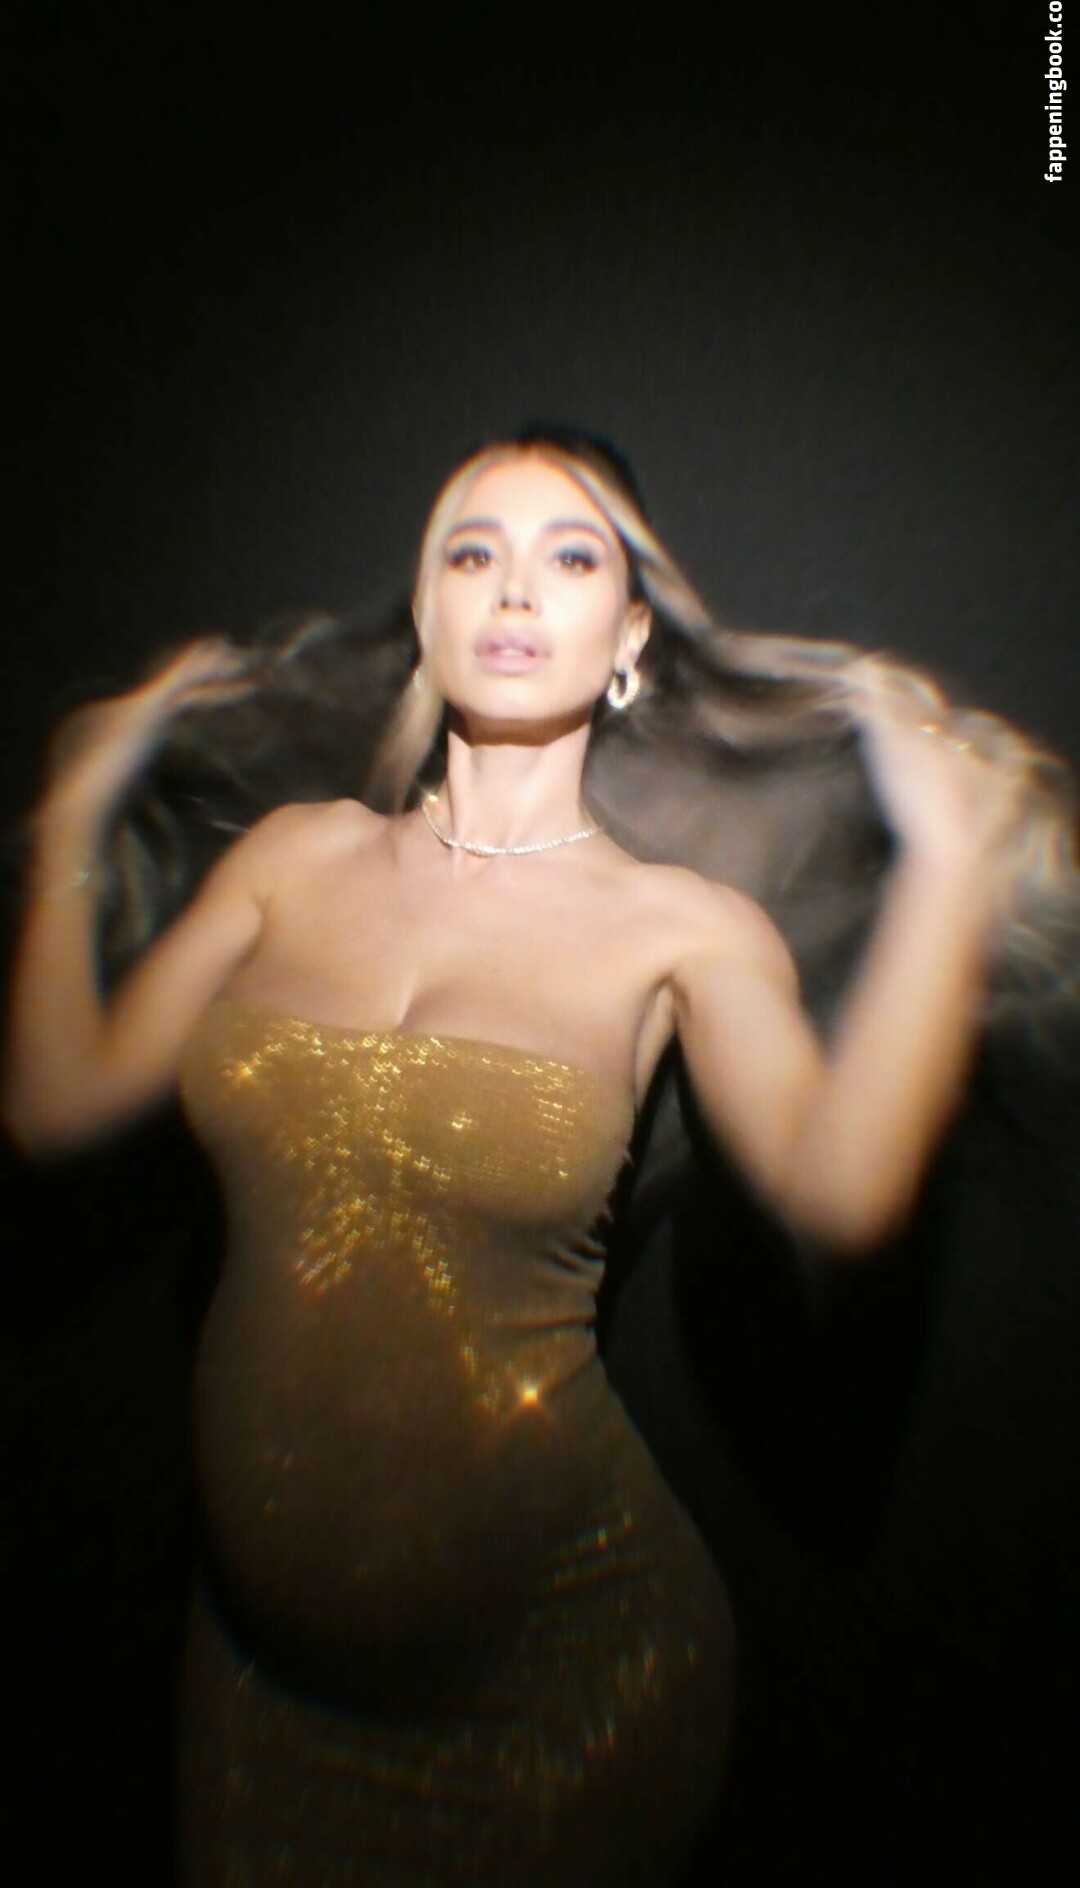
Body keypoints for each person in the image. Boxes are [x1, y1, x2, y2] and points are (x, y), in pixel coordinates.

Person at [4, 430, 1076, 1886]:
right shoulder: (290, 859)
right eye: (473, 554)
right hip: (258, 1683)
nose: (514, 591)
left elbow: (841, 1192)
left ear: (627, 637)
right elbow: (58, 1105)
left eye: (570, 559)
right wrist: (77, 813)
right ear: (428, 613)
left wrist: (948, 877)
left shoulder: (682, 930)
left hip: (569, 1684)